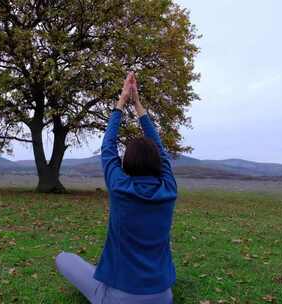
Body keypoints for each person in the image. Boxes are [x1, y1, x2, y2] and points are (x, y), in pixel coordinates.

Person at [55, 71, 178, 304]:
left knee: (63, 258)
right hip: (163, 296)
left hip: (119, 297)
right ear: (158, 164)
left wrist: (121, 103)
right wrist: (138, 106)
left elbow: (108, 147)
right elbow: (160, 149)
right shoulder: (169, 190)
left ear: (127, 164)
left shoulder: (120, 187)